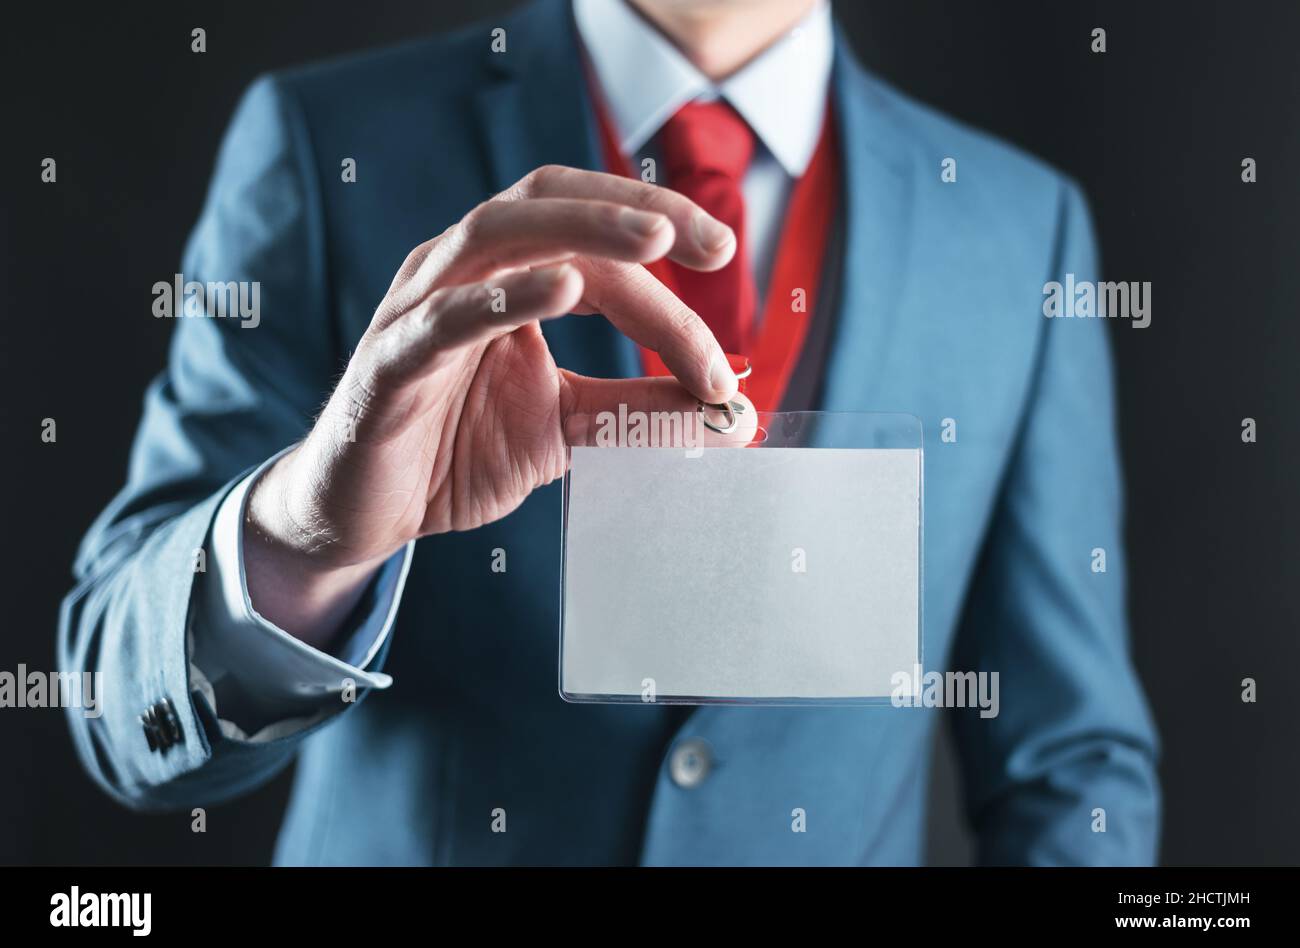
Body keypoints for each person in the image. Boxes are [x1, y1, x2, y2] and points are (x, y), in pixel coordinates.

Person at [59, 0, 1160, 865]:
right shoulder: (325, 140)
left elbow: (1069, 760)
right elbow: (114, 698)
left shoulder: (1020, 229)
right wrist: (307, 538)